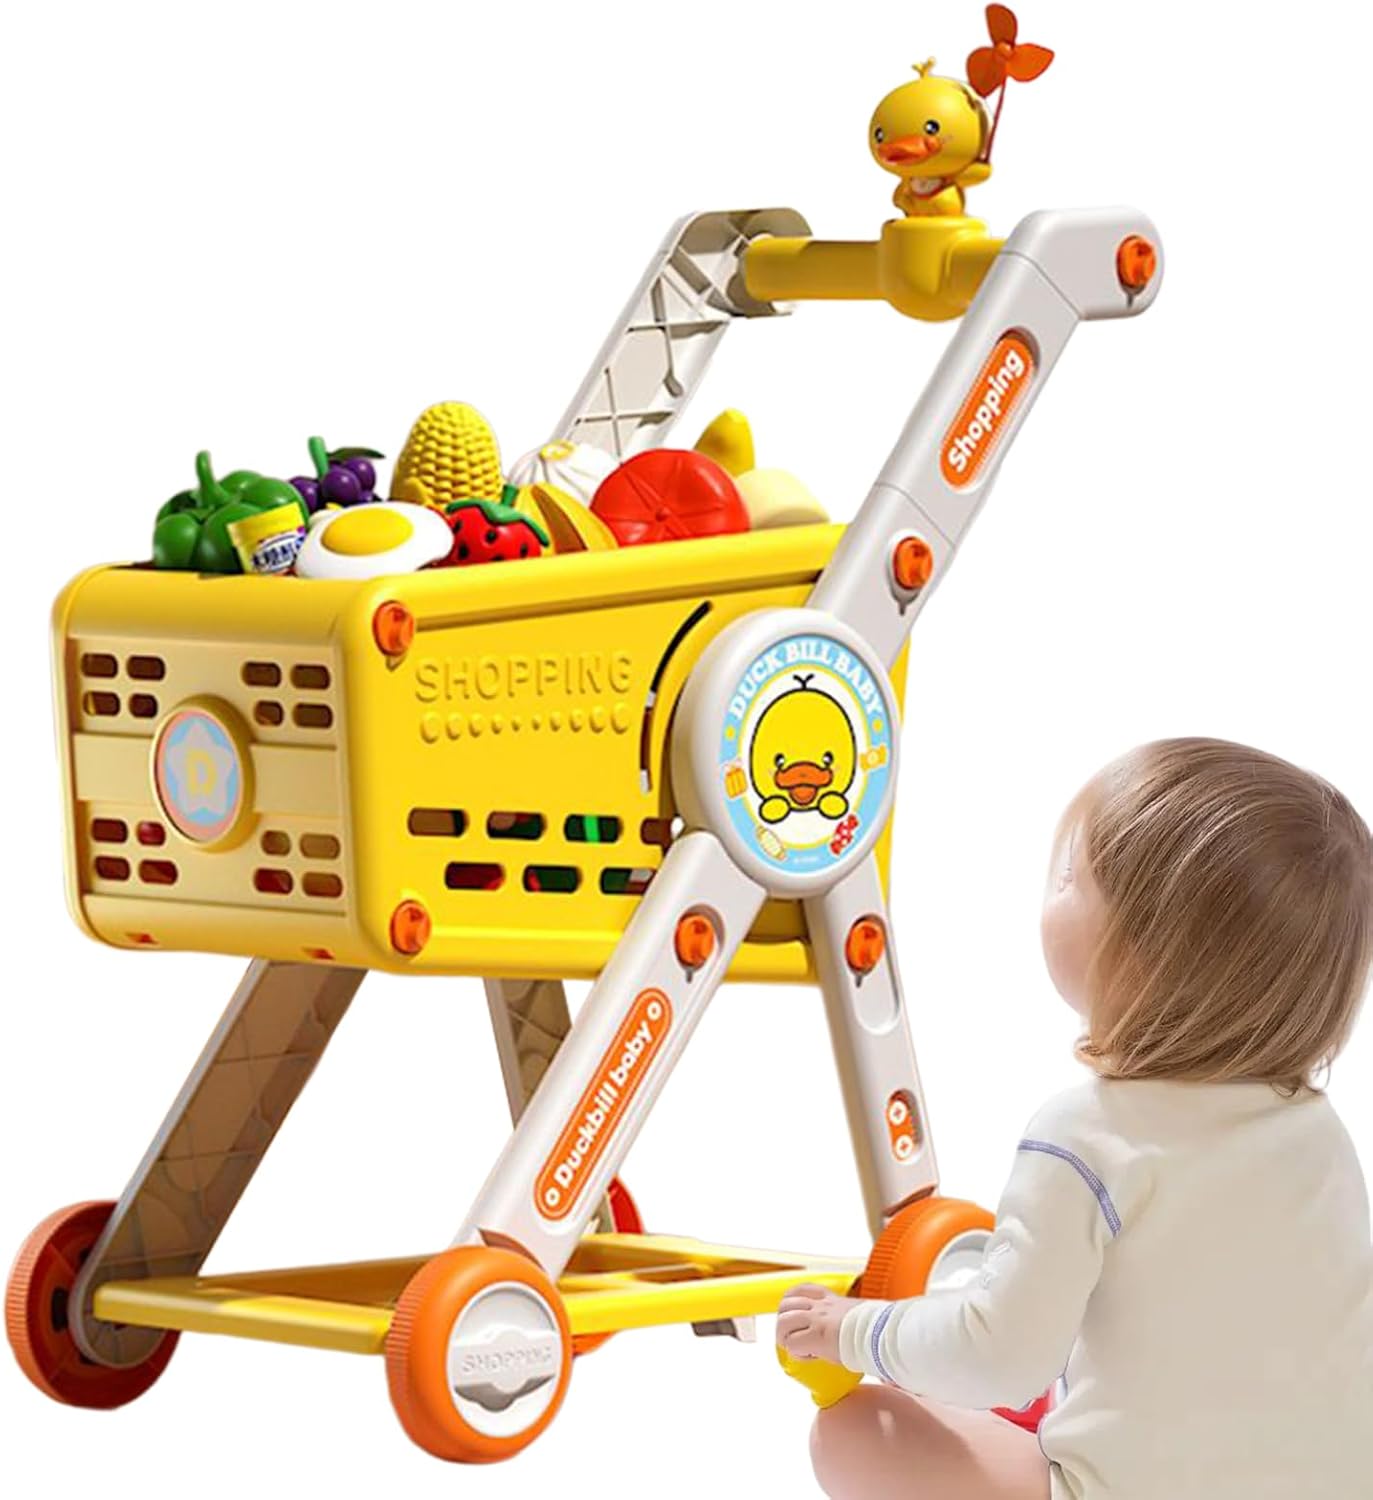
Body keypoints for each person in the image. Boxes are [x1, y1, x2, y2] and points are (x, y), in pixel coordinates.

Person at [778, 737, 1373, 1499]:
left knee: (855, 1428)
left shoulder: (1086, 1135)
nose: (1050, 887)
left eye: (1070, 877)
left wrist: (851, 1329)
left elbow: (997, 1358)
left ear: (1140, 953)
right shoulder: (1318, 1134)